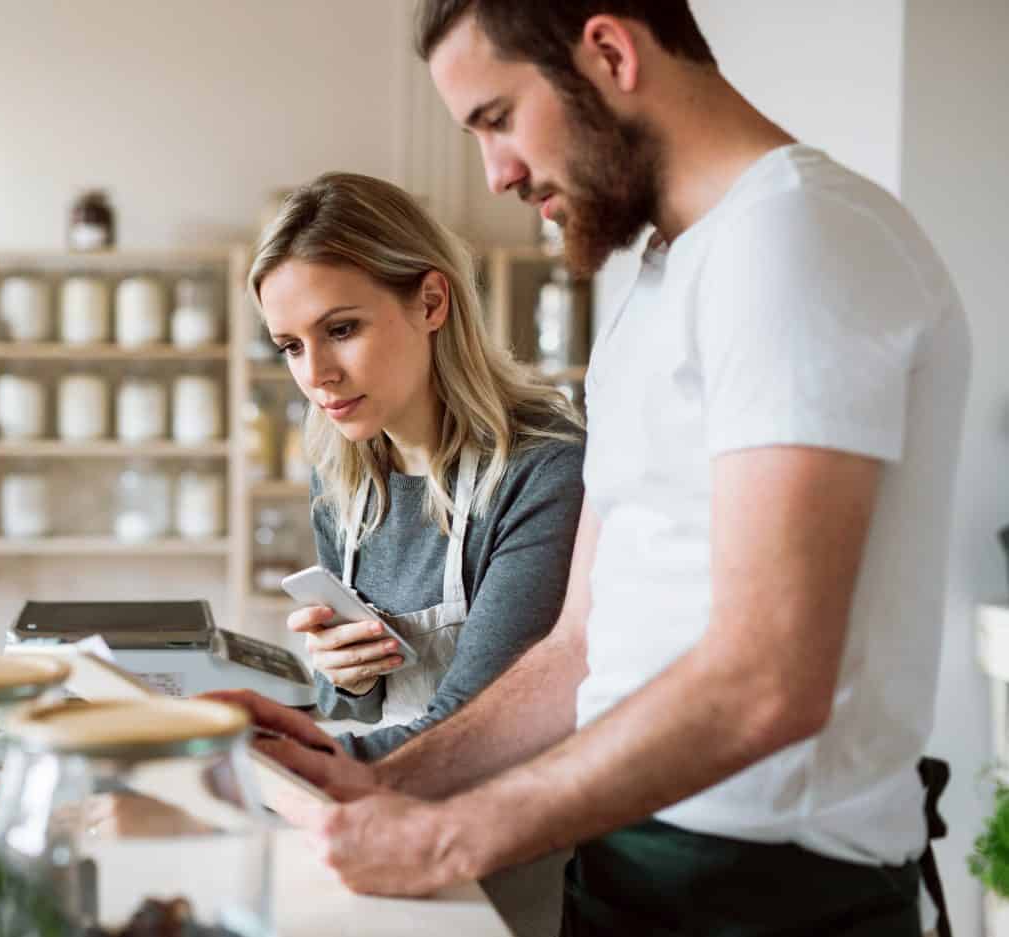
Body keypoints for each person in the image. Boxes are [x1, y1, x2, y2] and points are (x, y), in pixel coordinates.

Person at [212, 2, 971, 934]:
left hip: (775, 894)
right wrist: (371, 772)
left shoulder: (798, 238)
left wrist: (449, 836)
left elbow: (769, 677)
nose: (496, 173)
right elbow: (579, 652)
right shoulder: (657, 287)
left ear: (609, 51)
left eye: (496, 119)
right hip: (628, 870)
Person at [250, 171, 585, 761]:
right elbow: (350, 707)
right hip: (398, 800)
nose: (316, 374)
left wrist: (259, 764)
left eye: (342, 329)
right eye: (292, 346)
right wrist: (342, 677)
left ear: (431, 302)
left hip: (509, 818)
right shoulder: (341, 476)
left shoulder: (543, 472)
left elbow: (476, 726)